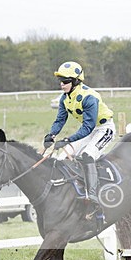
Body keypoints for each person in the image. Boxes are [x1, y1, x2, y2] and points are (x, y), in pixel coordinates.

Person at [43, 61, 115, 218]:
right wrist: (51, 135)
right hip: (88, 131)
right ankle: (68, 195)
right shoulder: (64, 99)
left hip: (104, 129)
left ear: (75, 81)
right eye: (60, 81)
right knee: (62, 156)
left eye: (65, 81)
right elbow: (60, 120)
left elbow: (88, 127)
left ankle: (94, 196)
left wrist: (68, 139)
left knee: (87, 155)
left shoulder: (90, 97)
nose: (62, 85)